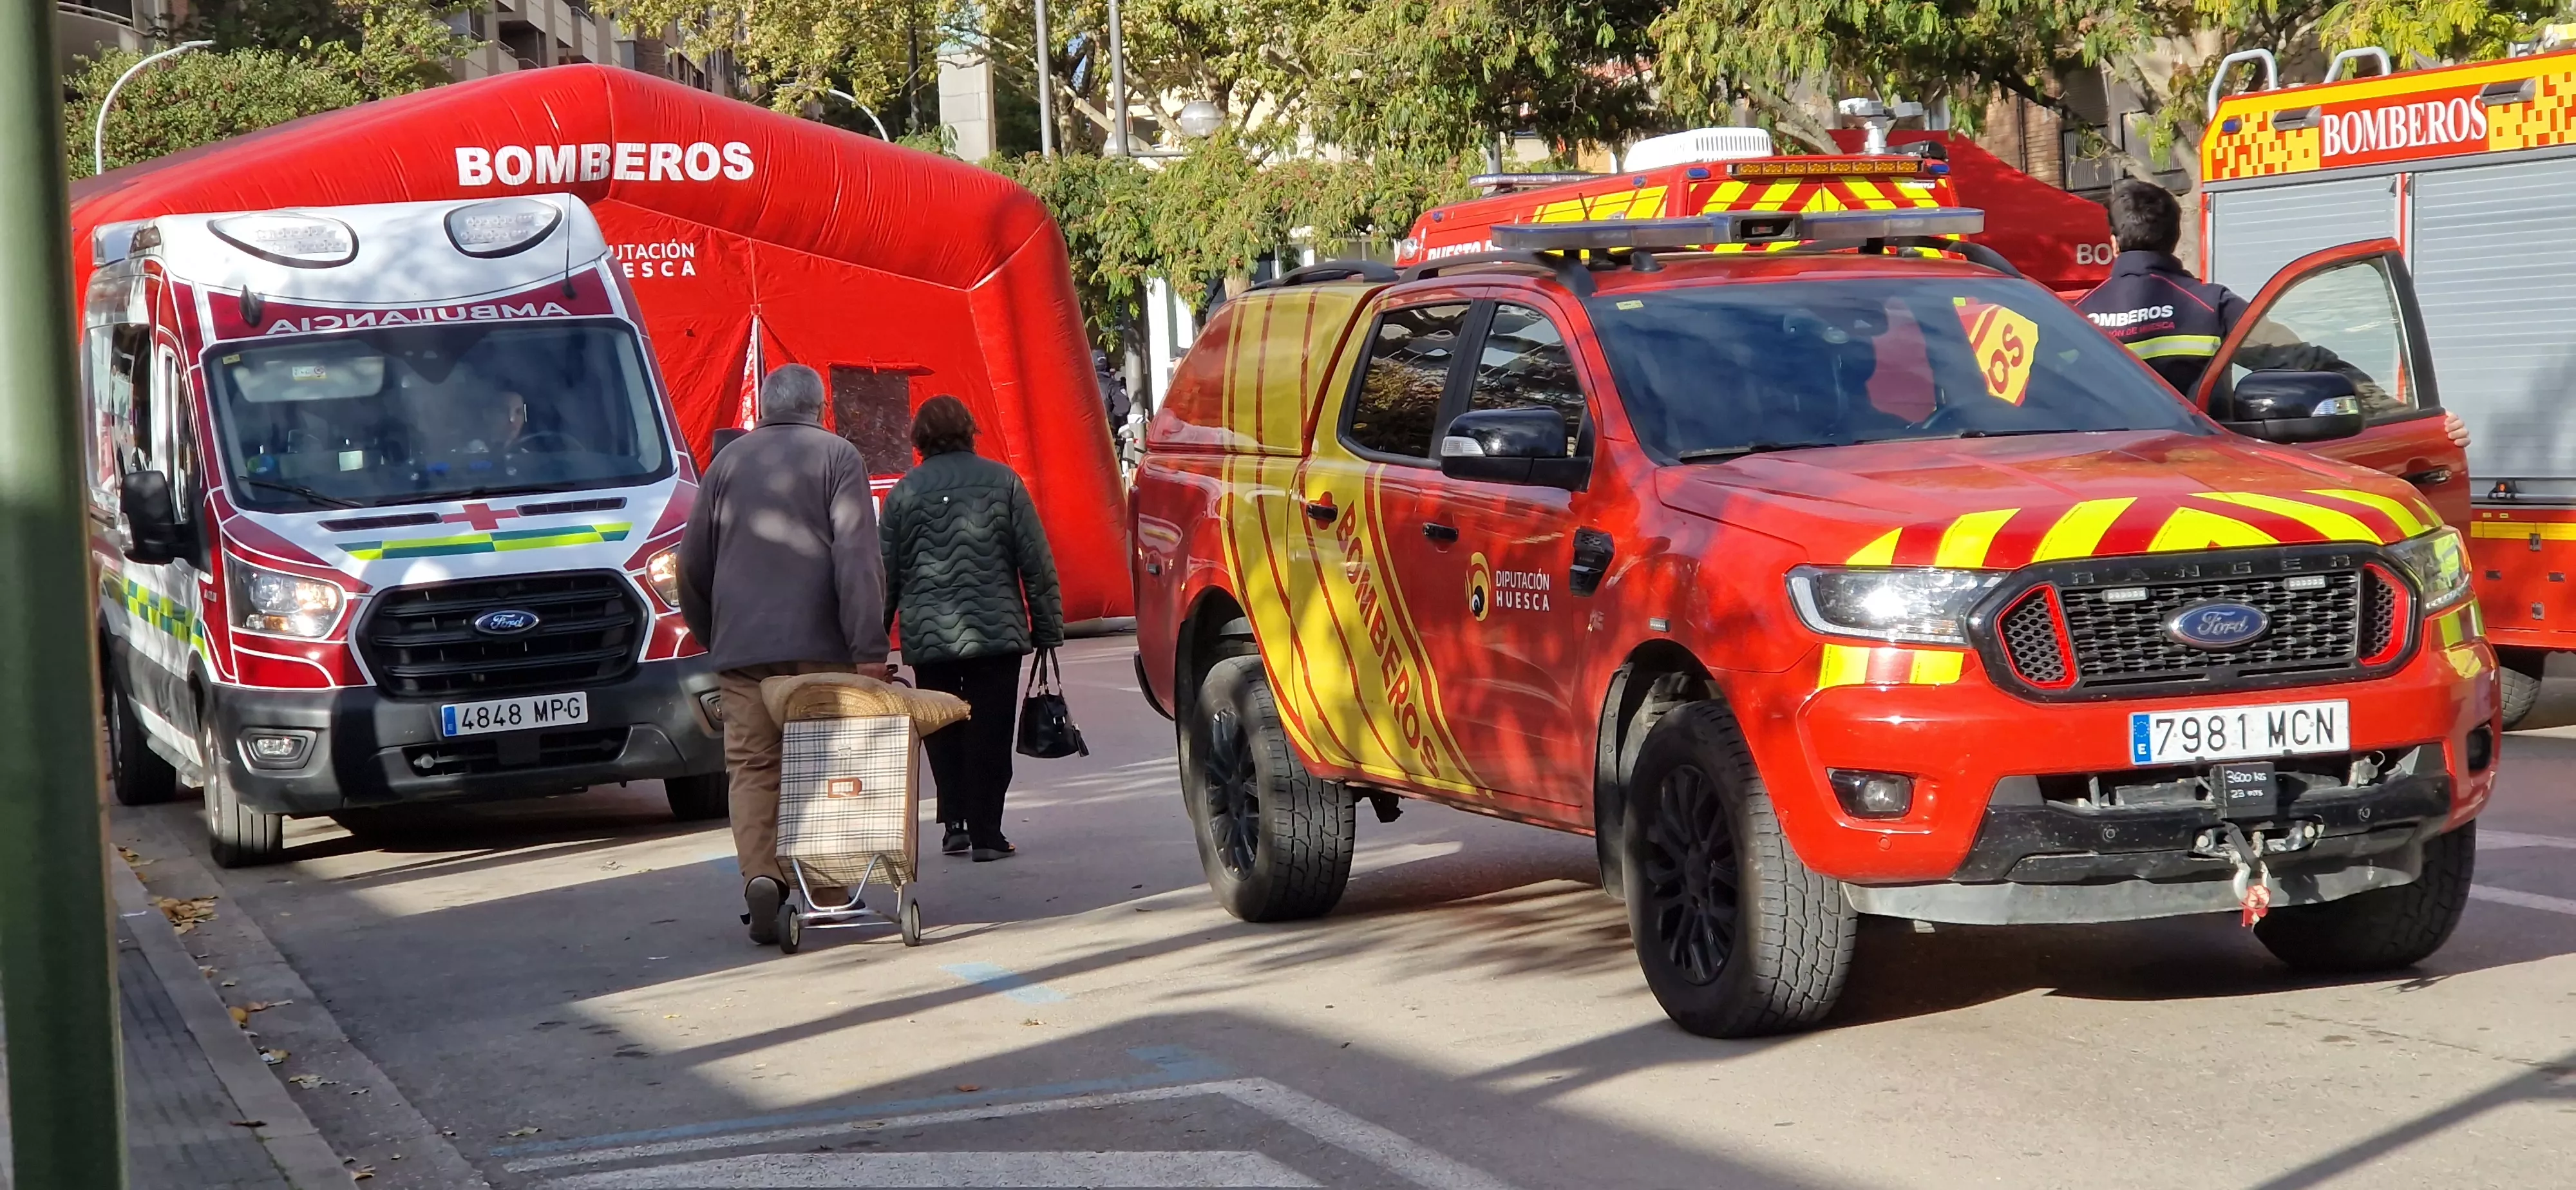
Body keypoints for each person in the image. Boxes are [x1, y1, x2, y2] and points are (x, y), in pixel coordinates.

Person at [676, 364, 893, 943]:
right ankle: (828, 887)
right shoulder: (838, 456)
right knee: (827, 761)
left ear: (765, 408)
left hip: (743, 650)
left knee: (752, 766)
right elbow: (856, 557)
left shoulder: (725, 464)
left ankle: (762, 877)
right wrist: (868, 646)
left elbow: (691, 563)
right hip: (823, 649)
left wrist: (714, 632)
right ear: (820, 408)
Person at [2080, 178, 2468, 448]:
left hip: (2102, 488)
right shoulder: (2210, 305)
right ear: (2175, 239)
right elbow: (2303, 361)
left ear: (2113, 244)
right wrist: (2406, 415)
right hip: (2201, 479)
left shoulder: (2076, 317)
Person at [880, 395, 1064, 862]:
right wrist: (1046, 628)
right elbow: (1035, 562)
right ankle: (988, 834)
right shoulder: (1003, 482)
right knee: (990, 730)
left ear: (919, 439)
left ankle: (954, 825)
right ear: (969, 430)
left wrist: (873, 642)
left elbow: (886, 575)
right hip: (995, 633)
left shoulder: (903, 495)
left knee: (942, 727)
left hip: (930, 636)